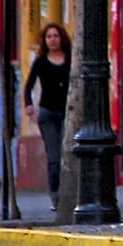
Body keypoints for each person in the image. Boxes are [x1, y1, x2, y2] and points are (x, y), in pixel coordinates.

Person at [23, 23, 72, 207]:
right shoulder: (41, 62)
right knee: (54, 157)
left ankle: (70, 192)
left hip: (68, 113)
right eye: (49, 36)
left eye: (56, 36)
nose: (52, 40)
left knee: (68, 154)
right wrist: (29, 105)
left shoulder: (71, 59)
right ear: (45, 40)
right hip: (48, 114)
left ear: (62, 38)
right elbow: (28, 86)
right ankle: (55, 196)